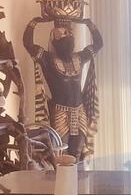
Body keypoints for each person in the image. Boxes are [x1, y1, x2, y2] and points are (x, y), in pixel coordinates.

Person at [23, 16, 103, 160]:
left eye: (69, 33)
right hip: (60, 113)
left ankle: (78, 175)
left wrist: (89, 24)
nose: (67, 36)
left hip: (80, 111)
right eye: (62, 34)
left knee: (78, 153)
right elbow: (28, 44)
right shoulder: (48, 59)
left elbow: (98, 44)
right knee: (60, 154)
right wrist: (33, 23)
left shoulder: (79, 58)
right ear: (55, 40)